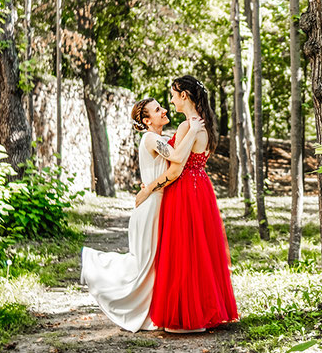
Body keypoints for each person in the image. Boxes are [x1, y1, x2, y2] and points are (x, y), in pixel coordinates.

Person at [79, 98, 203, 332]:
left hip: (160, 206)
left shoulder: (163, 138)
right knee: (144, 265)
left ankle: (151, 312)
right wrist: (193, 129)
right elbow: (177, 158)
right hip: (150, 208)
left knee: (156, 266)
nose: (164, 110)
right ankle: (95, 265)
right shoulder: (150, 138)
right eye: (158, 110)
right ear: (147, 121)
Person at [147, 75, 238, 333]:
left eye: (173, 95)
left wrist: (148, 191)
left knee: (183, 249)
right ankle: (203, 310)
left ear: (184, 95)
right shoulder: (205, 125)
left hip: (185, 188)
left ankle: (187, 317)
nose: (171, 100)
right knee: (200, 250)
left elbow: (176, 165)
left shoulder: (190, 126)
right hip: (202, 188)